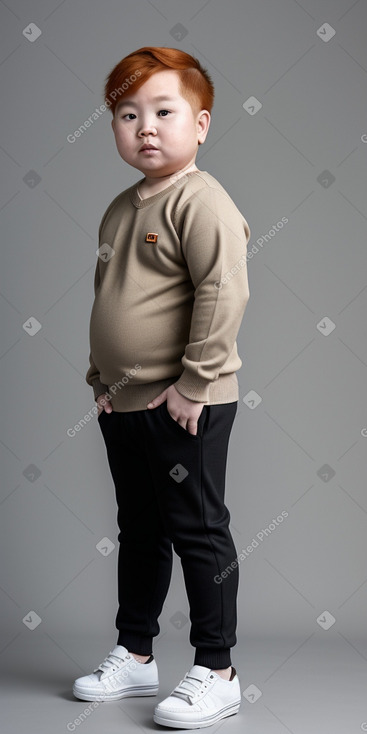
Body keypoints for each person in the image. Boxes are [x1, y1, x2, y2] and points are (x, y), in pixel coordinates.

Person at [73, 46, 251, 729]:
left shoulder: (201, 201)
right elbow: (110, 298)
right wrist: (100, 381)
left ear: (200, 124)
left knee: (197, 530)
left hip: (184, 402)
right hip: (123, 401)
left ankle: (217, 668)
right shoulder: (120, 208)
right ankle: (136, 653)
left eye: (163, 111)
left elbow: (223, 290)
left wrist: (194, 385)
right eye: (127, 114)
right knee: (139, 529)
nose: (144, 127)